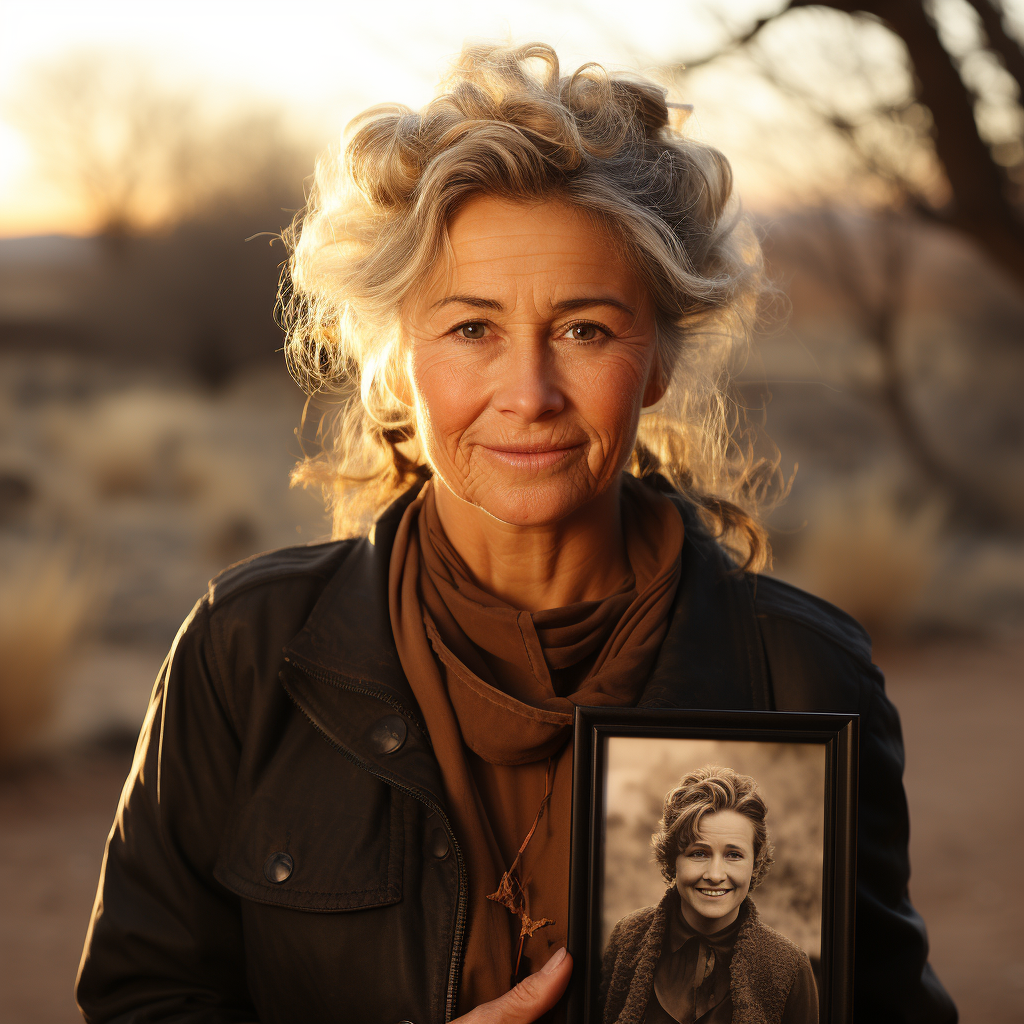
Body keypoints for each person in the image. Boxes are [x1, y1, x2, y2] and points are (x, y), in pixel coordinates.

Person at [75, 42, 957, 1024]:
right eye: (471, 330)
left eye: (583, 329)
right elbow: (140, 1000)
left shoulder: (799, 674)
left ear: (658, 358)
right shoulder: (246, 653)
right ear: (394, 362)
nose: (529, 394)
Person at [601, 766, 817, 1024]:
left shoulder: (790, 968)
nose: (715, 874)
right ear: (673, 859)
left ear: (755, 863)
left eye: (733, 855)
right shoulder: (627, 938)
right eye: (698, 853)